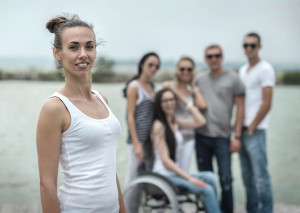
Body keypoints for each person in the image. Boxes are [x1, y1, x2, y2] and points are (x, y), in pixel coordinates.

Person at [36, 15, 126, 213]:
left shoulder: (102, 99)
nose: (83, 54)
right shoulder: (55, 108)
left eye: (89, 46)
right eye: (74, 47)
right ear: (57, 53)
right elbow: (47, 184)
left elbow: (109, 169)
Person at [150, 88, 221, 213]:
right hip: (164, 176)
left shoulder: (174, 122)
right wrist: (189, 178)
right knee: (207, 189)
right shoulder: (159, 126)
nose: (169, 103)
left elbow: (201, 121)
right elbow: (165, 161)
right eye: (165, 101)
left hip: (174, 174)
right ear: (159, 105)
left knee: (210, 176)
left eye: (171, 99)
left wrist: (185, 102)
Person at [194, 44, 245, 213]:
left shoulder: (233, 79)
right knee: (206, 182)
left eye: (217, 56)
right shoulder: (199, 79)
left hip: (223, 138)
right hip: (201, 137)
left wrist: (237, 136)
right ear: (205, 59)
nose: (213, 59)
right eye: (210, 56)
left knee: (226, 180)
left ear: (222, 57)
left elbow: (240, 108)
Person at [239, 32, 275, 213]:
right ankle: (252, 210)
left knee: (261, 177)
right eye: (245, 45)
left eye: (252, 45)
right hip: (242, 131)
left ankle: (266, 210)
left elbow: (267, 103)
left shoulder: (265, 69)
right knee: (247, 178)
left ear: (259, 47)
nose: (249, 49)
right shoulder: (243, 70)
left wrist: (252, 126)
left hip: (256, 130)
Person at [123, 52, 160, 212]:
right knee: (133, 180)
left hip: (151, 142)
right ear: (142, 65)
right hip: (138, 140)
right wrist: (137, 144)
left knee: (147, 179)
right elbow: (129, 116)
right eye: (150, 65)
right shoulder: (134, 87)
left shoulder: (152, 87)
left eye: (156, 66)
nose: (153, 68)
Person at [162, 56, 206, 172]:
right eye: (182, 69)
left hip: (189, 137)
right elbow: (160, 108)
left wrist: (193, 86)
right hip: (172, 136)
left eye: (189, 69)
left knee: (184, 170)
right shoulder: (168, 86)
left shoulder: (191, 91)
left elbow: (202, 105)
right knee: (170, 170)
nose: (185, 72)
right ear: (177, 70)